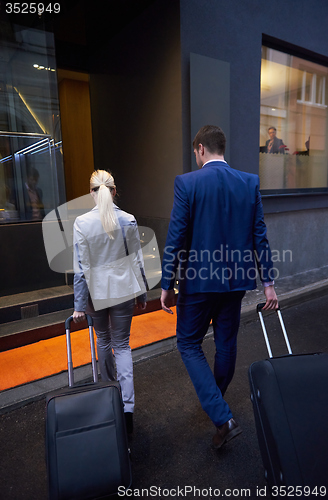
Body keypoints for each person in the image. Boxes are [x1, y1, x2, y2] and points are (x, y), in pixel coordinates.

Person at [161, 125, 278, 449]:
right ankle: (217, 401)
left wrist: (167, 284)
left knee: (188, 344)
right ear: (221, 148)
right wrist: (268, 283)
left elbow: (177, 237)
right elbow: (260, 237)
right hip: (235, 282)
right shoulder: (249, 182)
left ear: (200, 148)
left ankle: (221, 414)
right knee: (226, 341)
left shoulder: (187, 183)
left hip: (198, 282)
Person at [73, 169, 148, 435]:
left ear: (91, 192)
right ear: (114, 191)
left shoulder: (81, 223)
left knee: (103, 341)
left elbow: (80, 270)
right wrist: (142, 294)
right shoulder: (128, 220)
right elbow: (137, 260)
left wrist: (79, 306)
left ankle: (109, 397)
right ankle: (128, 409)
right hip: (124, 291)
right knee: (123, 346)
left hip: (95, 295)